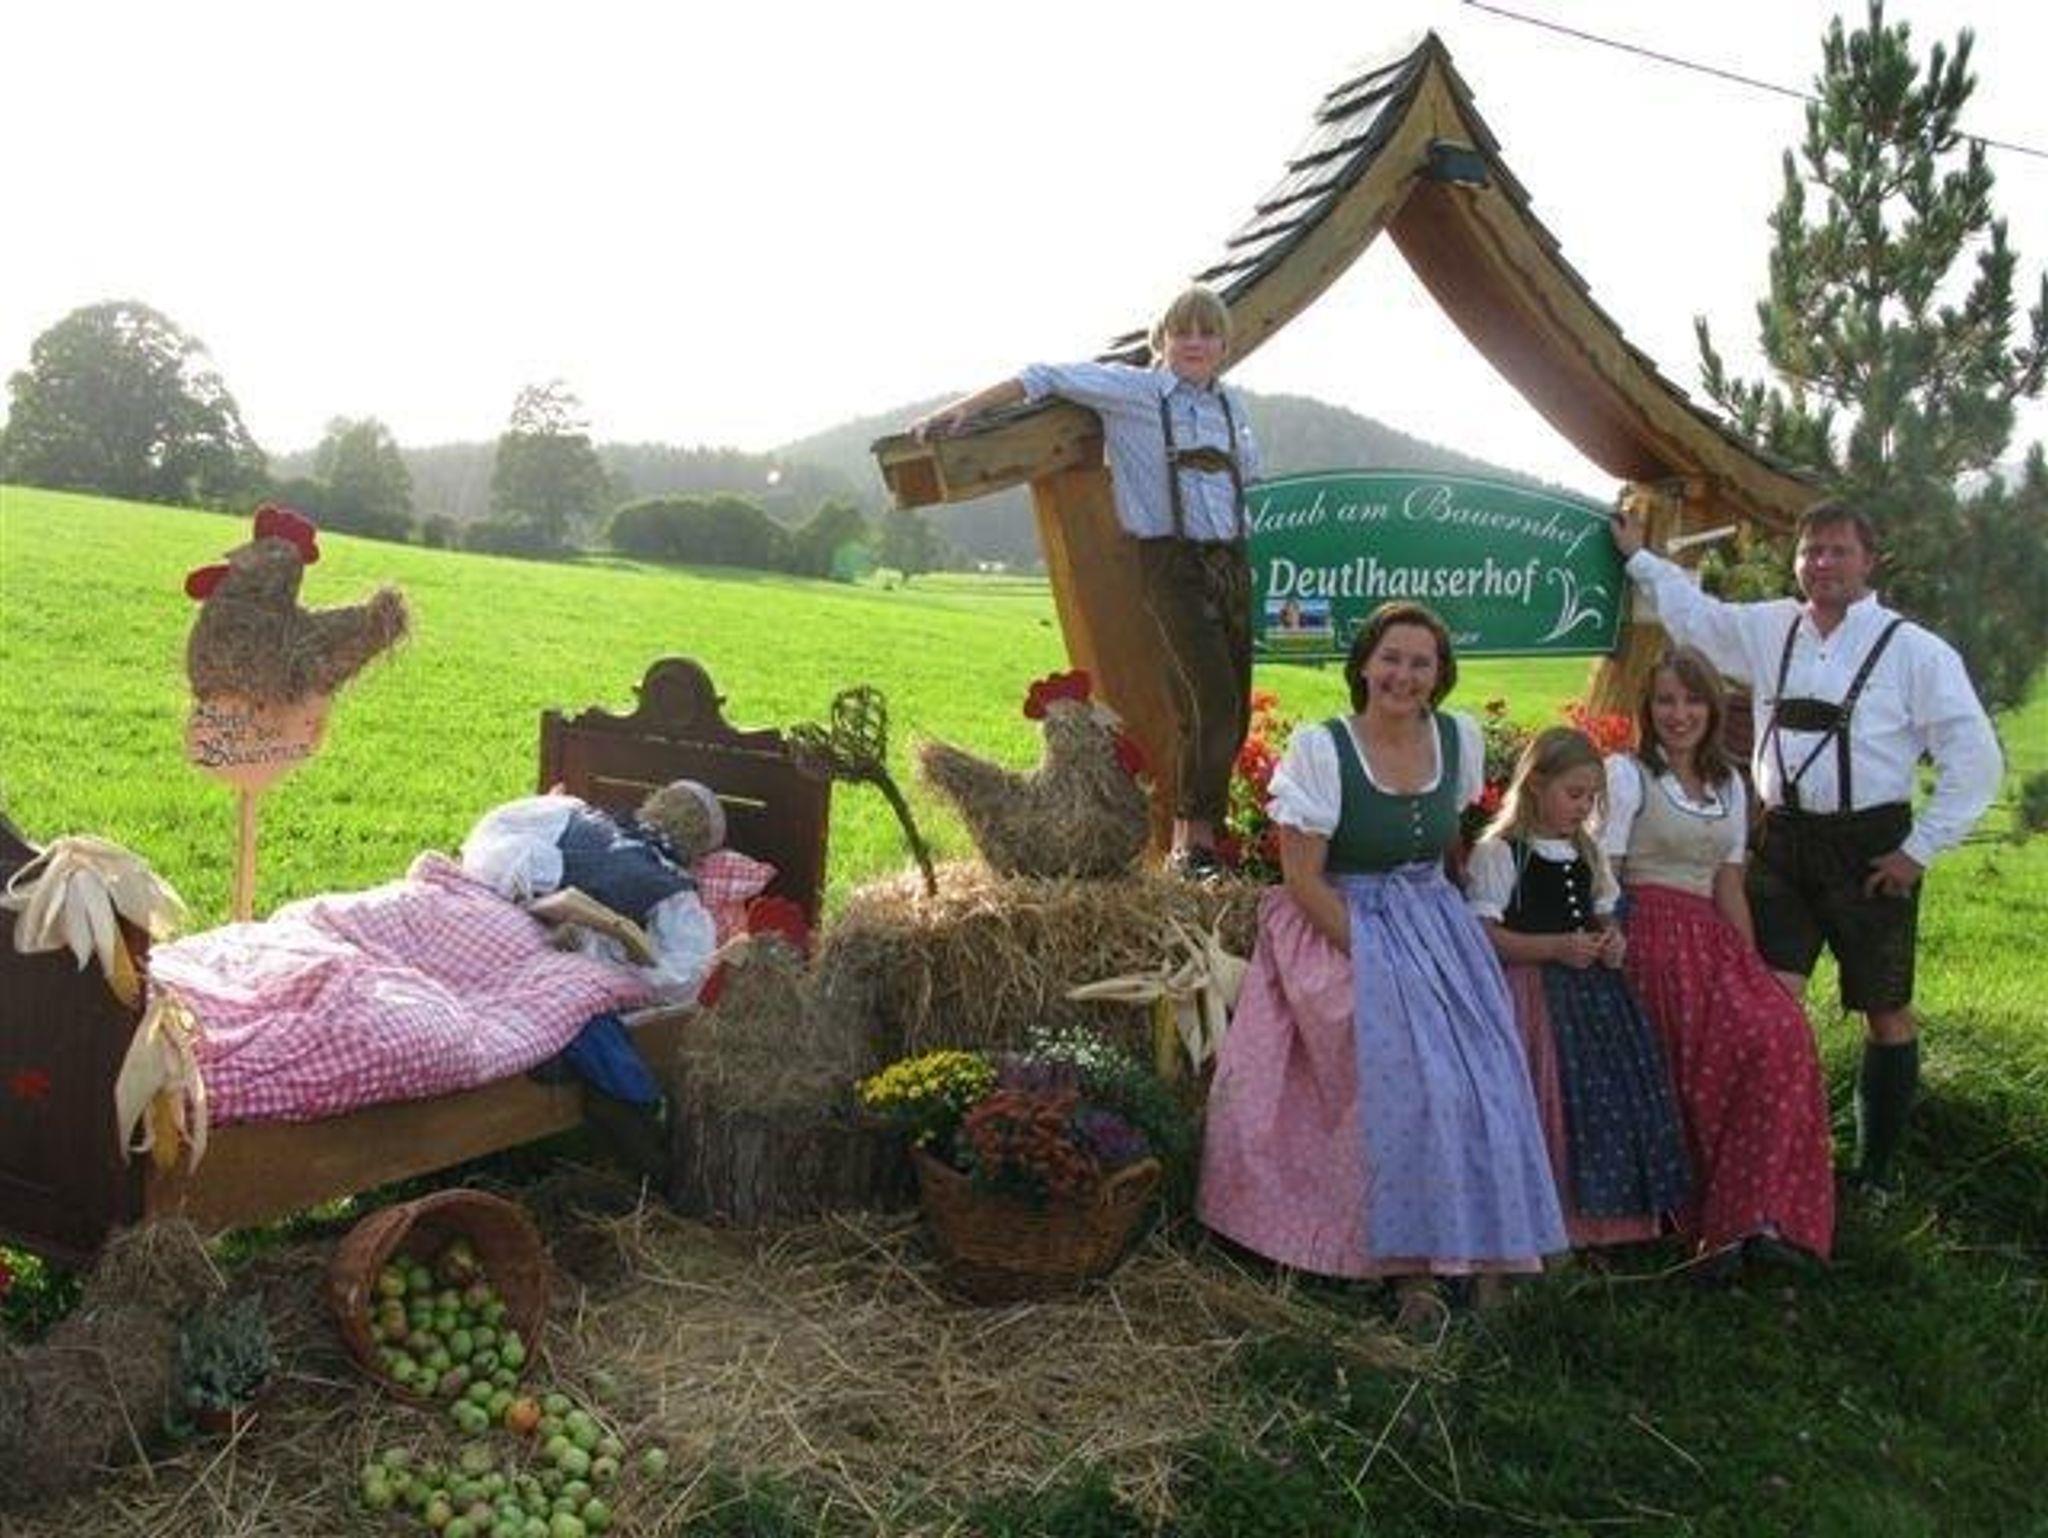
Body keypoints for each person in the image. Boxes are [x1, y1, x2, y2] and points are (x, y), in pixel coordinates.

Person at [1612, 499, 2002, 1191]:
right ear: (1796, 561)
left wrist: (1918, 851)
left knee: (1885, 1010)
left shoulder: (1915, 650)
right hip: (1783, 841)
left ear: (1869, 560)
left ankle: (1874, 1175)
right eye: (1810, 551)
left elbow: (1975, 757)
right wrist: (1641, 557)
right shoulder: (1770, 627)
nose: (1822, 563)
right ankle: (1763, 1163)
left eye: (1838, 551)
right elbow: (1696, 620)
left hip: (1872, 851)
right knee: (1764, 1002)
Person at [1197, 602, 1565, 1323]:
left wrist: (1455, 927)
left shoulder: (1455, 739)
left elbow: (1446, 853)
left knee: (1486, 1073)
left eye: (1421, 662)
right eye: (1391, 658)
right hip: (1343, 920)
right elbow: (1303, 882)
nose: (1404, 674)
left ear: (1440, 674)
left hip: (1432, 919)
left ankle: (1488, 1248)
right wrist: (1377, 962)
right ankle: (1407, 1270)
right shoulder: (1324, 750)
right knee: (1404, 1075)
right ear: (1364, 664)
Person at [912, 284, 1261, 879]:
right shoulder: (1135, 392)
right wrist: (966, 408)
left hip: (1231, 561)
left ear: (1224, 345)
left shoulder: (1231, 408)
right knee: (1213, 701)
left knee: (1229, 708)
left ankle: (1190, 844)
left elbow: (1243, 480)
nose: (1195, 342)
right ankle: (1198, 843)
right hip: (1172, 564)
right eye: (1182, 331)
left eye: (1207, 333)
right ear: (1162, 340)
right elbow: (1045, 375)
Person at [1599, 647, 1834, 1270]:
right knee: (1700, 1053)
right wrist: (1613, 948)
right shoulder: (1628, 775)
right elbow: (1606, 876)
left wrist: (1750, 966)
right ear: (1647, 708)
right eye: (1665, 700)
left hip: (1710, 937)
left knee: (1779, 1033)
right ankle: (1705, 1226)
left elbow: (1728, 883)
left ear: (1711, 709)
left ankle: (1759, 1213)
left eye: (1692, 701)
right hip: (1645, 932)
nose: (1678, 714)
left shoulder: (1728, 784)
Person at [1467, 727, 1690, 1252]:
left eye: (1592, 796)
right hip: (1531, 998)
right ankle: (1546, 1225)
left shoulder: (1586, 851)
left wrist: (1612, 942)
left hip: (1595, 1001)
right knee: (1545, 1099)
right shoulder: (1501, 853)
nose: (1584, 806)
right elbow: (1484, 937)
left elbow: (1605, 914)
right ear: (1536, 784)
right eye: (1574, 794)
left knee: (1602, 1099)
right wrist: (1553, 948)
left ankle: (1607, 1226)